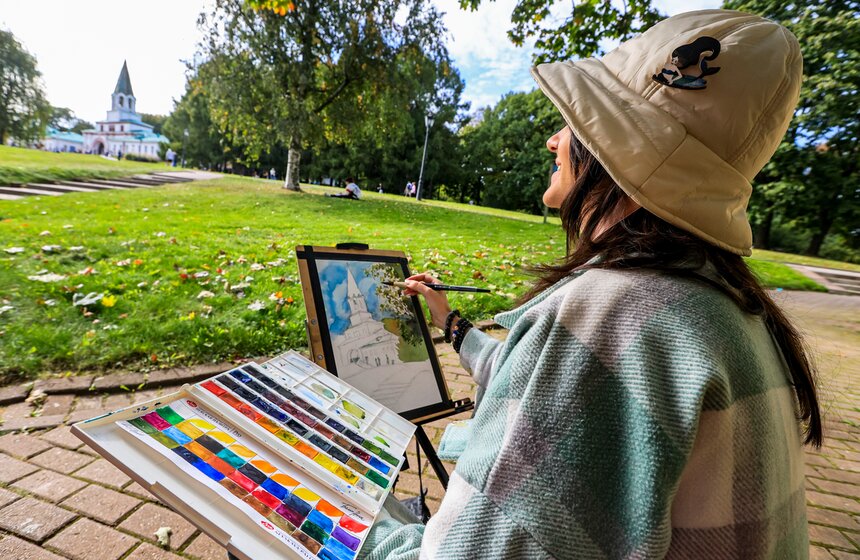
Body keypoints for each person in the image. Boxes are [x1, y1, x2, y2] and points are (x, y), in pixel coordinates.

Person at [359, 10, 819, 559]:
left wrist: (344, 517)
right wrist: (451, 323)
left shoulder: (612, 312)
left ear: (614, 150)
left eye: (577, 121)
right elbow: (544, 384)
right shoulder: (723, 305)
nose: (555, 140)